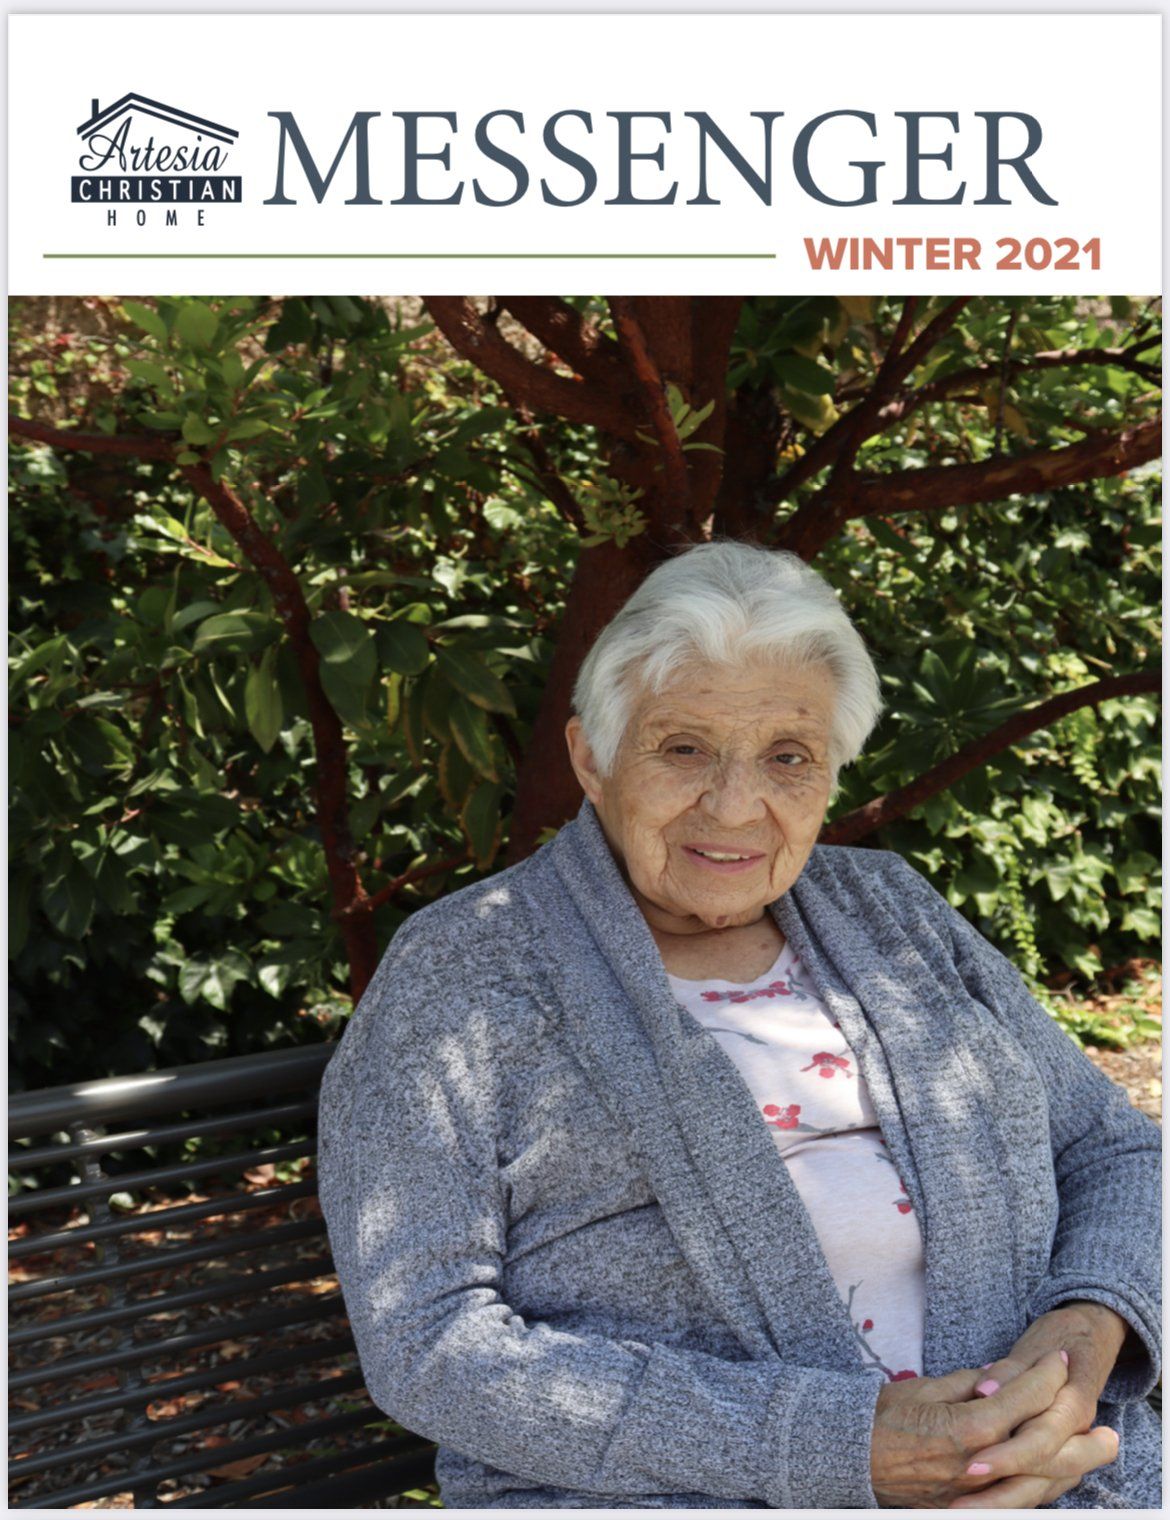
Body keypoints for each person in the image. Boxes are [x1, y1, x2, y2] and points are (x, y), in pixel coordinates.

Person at [317, 541, 1161, 1509]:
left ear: (832, 772)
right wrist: (837, 1446)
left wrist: (1081, 1341)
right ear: (592, 756)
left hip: (1055, 1474)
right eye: (683, 747)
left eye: (788, 757)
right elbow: (431, 1344)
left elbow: (1117, 1148)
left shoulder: (895, 911)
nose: (734, 804)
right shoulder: (464, 969)